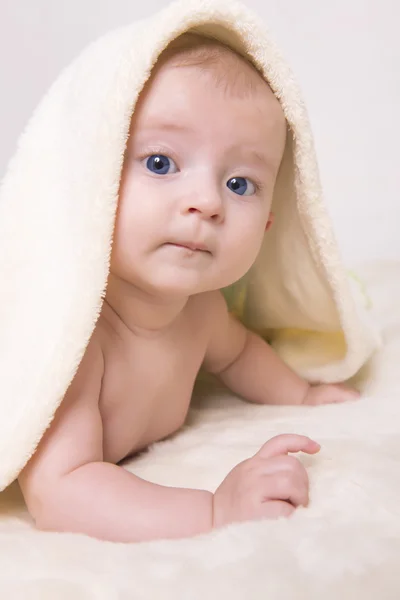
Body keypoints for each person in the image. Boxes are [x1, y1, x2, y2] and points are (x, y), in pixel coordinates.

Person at [18, 32, 359, 543]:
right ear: (91, 179)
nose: (206, 200)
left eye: (239, 183)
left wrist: (303, 395)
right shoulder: (75, 340)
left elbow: (240, 354)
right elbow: (60, 491)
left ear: (267, 225)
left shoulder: (201, 312)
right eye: (161, 163)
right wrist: (213, 511)